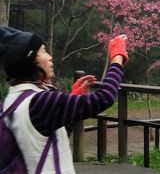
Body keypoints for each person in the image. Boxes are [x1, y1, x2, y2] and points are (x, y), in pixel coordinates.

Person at [0, 26, 128, 174]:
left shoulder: (11, 102)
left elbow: (49, 140)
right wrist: (117, 57)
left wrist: (72, 99)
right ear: (29, 62)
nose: (49, 56)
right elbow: (104, 98)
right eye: (43, 51)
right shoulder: (40, 101)